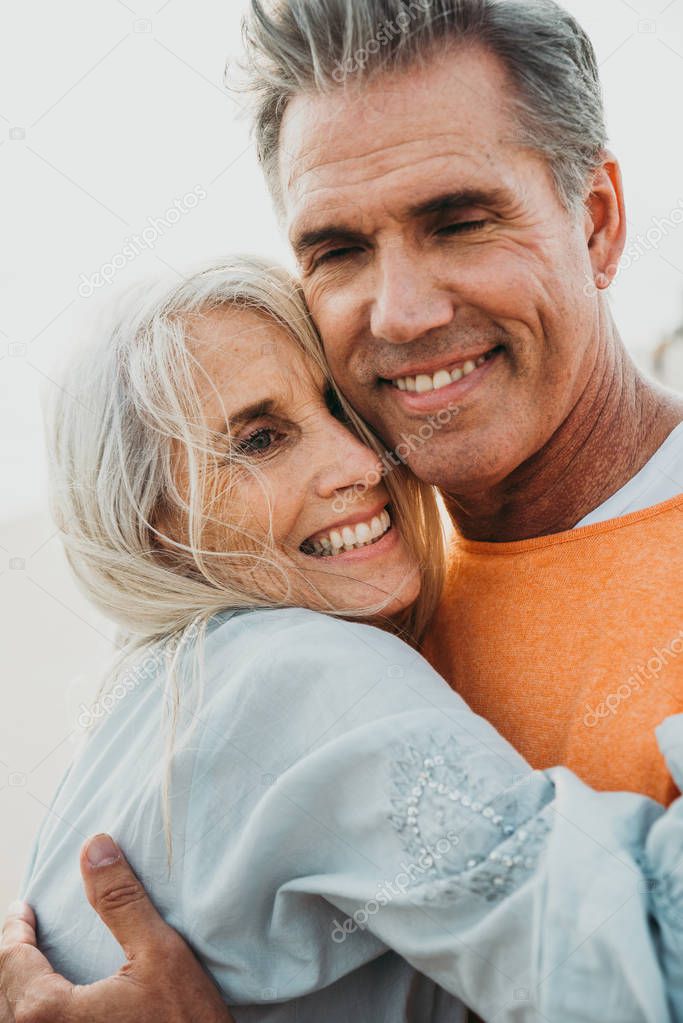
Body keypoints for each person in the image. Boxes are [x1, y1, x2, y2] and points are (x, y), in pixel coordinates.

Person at [3, 0, 683, 1018]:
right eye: (336, 251)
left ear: (594, 222)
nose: (401, 312)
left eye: (458, 221)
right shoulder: (331, 593)